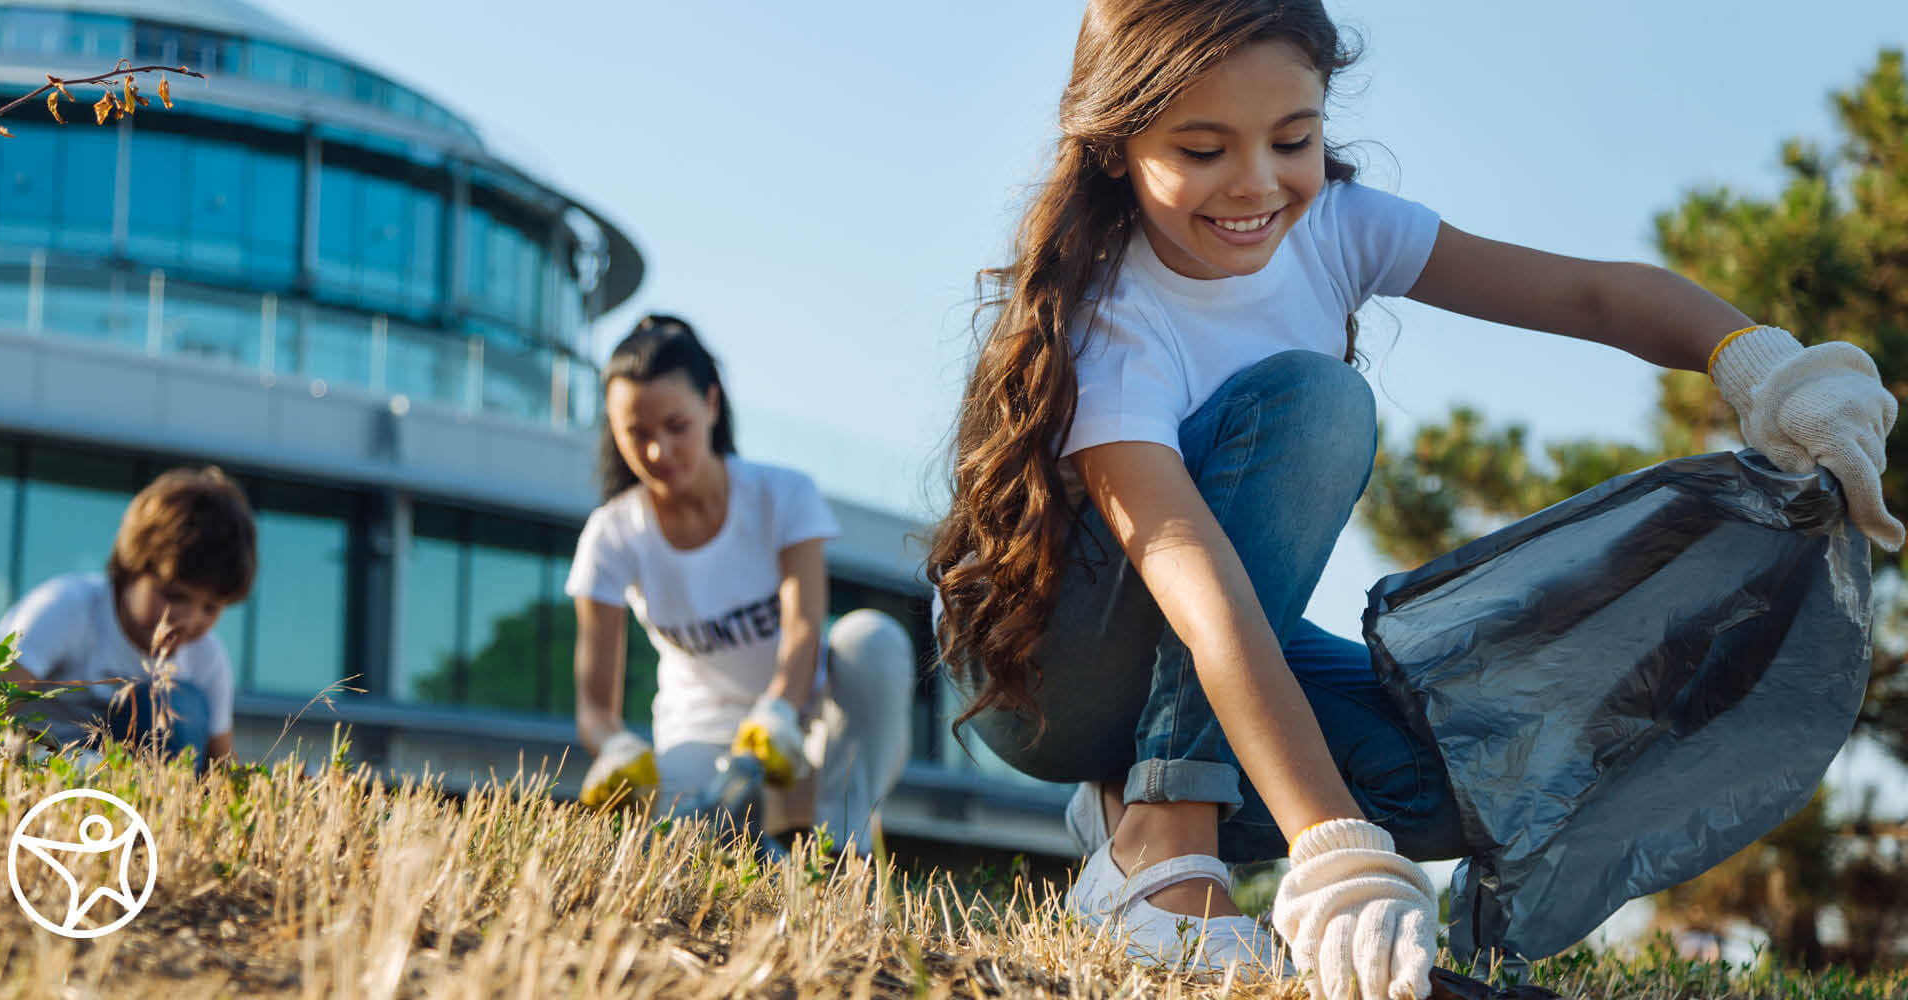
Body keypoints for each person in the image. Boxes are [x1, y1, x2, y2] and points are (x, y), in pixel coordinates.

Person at [923, 2, 1901, 998]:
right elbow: (1204, 595)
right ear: (1113, 147)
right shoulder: (1111, 318)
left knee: (1454, 777)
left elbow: (1590, 296)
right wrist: (1329, 842)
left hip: (1188, 649)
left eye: (1291, 139)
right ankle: (1163, 843)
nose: (1256, 181)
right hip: (1034, 666)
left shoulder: (1337, 228)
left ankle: (1130, 810)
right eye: (1202, 147)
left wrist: (1766, 369)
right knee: (1314, 406)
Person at [567, 314, 915, 854]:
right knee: (680, 848)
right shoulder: (611, 536)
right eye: (637, 434)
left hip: (808, 728)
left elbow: (803, 629)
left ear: (710, 404)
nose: (658, 452)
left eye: (676, 427)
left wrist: (777, 712)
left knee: (874, 639)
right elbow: (594, 707)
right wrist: (613, 746)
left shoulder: (782, 495)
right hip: (701, 738)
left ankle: (843, 855)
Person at [0, 466, 257, 770]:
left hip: (134, 791)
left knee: (170, 703)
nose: (188, 619)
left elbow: (220, 769)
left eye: (210, 608)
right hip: (36, 774)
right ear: (131, 570)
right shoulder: (64, 610)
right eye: (173, 595)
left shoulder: (207, 659)